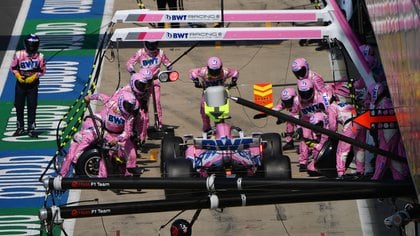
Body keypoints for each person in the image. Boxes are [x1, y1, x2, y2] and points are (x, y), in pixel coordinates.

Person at [85, 91, 140, 177]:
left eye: (131, 106)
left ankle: (129, 176)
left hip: (120, 136)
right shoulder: (110, 103)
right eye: (127, 105)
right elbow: (100, 96)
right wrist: (89, 97)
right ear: (121, 101)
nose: (129, 108)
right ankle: (102, 179)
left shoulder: (129, 116)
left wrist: (117, 139)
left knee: (132, 154)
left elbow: (127, 132)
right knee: (106, 156)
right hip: (108, 134)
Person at [367, 83, 409, 180]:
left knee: (383, 156)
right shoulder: (387, 103)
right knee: (393, 160)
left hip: (387, 136)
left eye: (369, 94)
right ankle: (399, 181)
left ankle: (376, 180)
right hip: (389, 136)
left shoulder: (384, 105)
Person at [126, 41, 173, 130]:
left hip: (155, 81)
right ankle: (142, 124)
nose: (152, 47)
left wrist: (169, 68)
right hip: (143, 83)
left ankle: (159, 124)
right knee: (141, 104)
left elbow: (168, 64)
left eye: (154, 44)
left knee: (157, 102)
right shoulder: (140, 53)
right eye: (150, 44)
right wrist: (132, 71)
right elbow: (129, 63)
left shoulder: (161, 53)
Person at [189, 56, 239, 132]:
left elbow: (236, 72)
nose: (215, 73)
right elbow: (192, 71)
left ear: (221, 68)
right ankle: (206, 127)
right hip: (207, 95)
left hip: (221, 95)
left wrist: (233, 81)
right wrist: (196, 81)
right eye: (212, 71)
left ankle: (220, 127)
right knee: (203, 109)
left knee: (221, 111)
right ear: (208, 68)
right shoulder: (203, 71)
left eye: (217, 71)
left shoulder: (225, 71)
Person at [10, 33, 46, 138]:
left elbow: (42, 70)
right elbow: (13, 67)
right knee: (19, 105)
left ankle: (31, 128)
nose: (32, 47)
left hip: (33, 85)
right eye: (30, 45)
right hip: (21, 84)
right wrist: (17, 75)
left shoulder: (40, 56)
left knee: (32, 105)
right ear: (26, 45)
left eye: (34, 45)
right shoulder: (18, 55)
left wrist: (34, 76)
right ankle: (20, 127)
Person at [295, 79, 332, 173]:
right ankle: (303, 162)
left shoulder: (320, 97)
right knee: (305, 138)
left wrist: (328, 125)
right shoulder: (297, 100)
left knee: (320, 139)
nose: (305, 95)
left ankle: (319, 159)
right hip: (305, 121)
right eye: (303, 93)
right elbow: (295, 114)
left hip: (319, 120)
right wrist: (298, 127)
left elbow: (329, 112)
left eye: (307, 92)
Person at [115, 68, 154, 146]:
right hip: (122, 112)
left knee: (143, 118)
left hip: (135, 109)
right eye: (147, 82)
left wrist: (144, 102)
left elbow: (145, 97)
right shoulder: (125, 91)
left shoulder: (146, 89)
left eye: (150, 82)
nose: (148, 85)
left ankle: (140, 139)